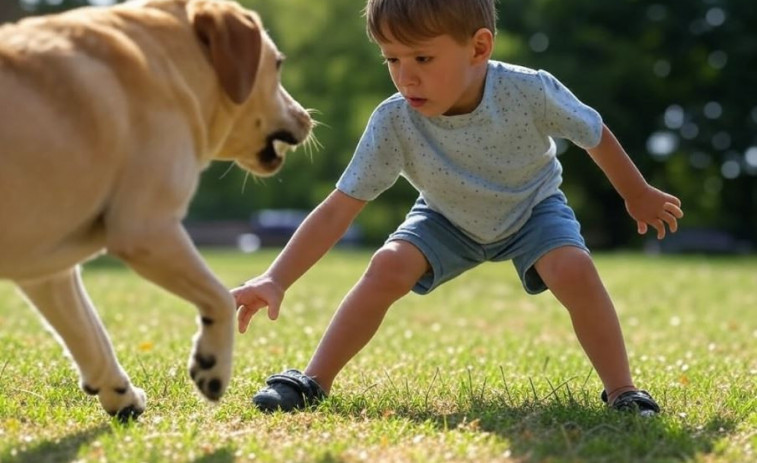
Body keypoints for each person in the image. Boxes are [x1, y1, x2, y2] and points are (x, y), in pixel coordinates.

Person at [231, 0, 683, 416]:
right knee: (387, 265)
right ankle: (313, 381)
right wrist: (276, 277)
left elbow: (593, 131)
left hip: (533, 208)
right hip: (444, 217)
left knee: (574, 269)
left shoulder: (529, 90)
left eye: (422, 59)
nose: (406, 77)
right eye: (392, 59)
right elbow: (338, 209)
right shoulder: (394, 119)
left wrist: (636, 192)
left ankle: (623, 392)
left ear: (479, 47)